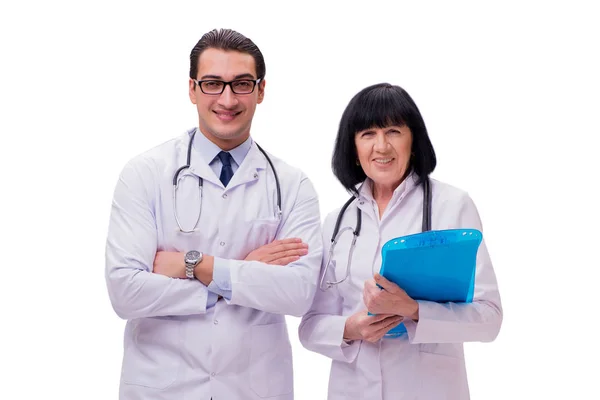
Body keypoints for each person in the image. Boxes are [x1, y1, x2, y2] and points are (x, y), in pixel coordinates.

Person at [105, 28, 323, 400]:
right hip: (161, 386)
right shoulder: (145, 172)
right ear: (192, 89)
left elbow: (299, 294)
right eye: (212, 83)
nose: (227, 98)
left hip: (253, 387)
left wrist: (196, 264)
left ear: (261, 90)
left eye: (241, 84)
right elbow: (125, 291)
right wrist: (243, 273)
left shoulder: (292, 184)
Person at [298, 83, 502, 399]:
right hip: (353, 389)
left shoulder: (453, 206)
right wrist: (352, 328)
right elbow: (310, 326)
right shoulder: (337, 222)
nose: (381, 146)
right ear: (353, 148)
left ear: (414, 141)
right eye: (367, 134)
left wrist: (413, 310)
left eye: (393, 131)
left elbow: (489, 320)